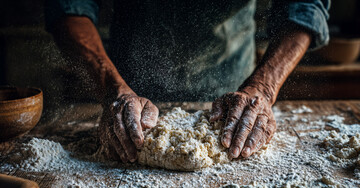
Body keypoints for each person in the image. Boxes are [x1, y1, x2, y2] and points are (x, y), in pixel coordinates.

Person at [45, 0, 330, 162]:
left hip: (231, 84)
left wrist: (263, 89)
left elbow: (305, 5)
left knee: (235, 133)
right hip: (125, 84)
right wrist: (112, 89)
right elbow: (69, 5)